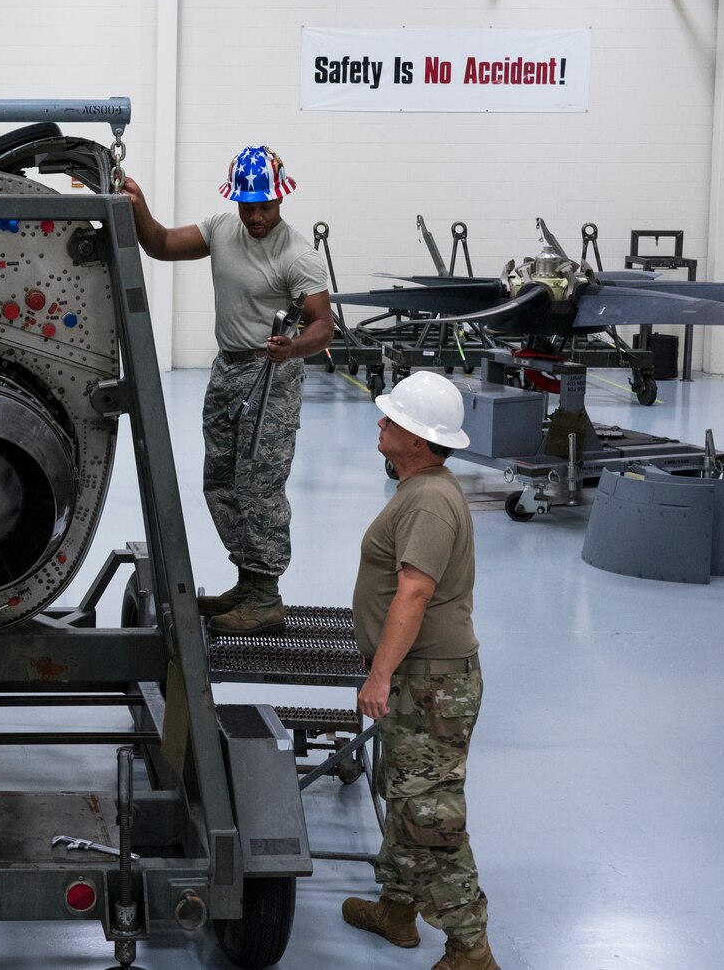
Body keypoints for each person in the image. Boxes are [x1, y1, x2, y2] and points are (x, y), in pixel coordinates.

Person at [124, 146, 333, 634]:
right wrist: (137, 204)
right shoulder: (221, 228)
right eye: (248, 205)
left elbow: (324, 327)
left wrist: (293, 347)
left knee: (258, 486)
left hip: (271, 375)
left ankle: (266, 598)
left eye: (265, 206)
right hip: (227, 371)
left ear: (280, 200)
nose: (257, 216)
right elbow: (158, 244)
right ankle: (247, 580)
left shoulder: (298, 255)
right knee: (219, 482)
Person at [343, 371, 496, 970]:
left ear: (418, 438)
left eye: (391, 418)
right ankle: (398, 909)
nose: (380, 422)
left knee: (430, 813)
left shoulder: (430, 500)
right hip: (422, 680)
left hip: (429, 683)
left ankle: (470, 948)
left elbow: (414, 592)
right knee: (406, 794)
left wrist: (379, 676)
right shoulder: (421, 488)